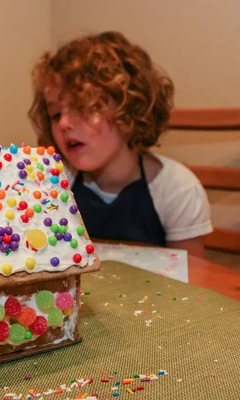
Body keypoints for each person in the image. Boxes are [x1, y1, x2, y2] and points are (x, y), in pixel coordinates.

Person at [28, 31, 212, 257]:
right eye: (55, 114)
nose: (64, 123)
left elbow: (192, 282)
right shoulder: (55, 182)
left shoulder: (176, 190)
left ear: (129, 110)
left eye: (84, 107)